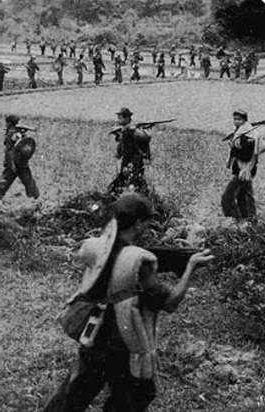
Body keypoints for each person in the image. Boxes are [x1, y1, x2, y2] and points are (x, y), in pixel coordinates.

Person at [43, 193, 214, 412]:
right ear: (139, 223)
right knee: (138, 394)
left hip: (94, 332)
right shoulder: (137, 261)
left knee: (74, 393)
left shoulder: (99, 248)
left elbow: (117, 263)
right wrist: (190, 266)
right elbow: (170, 303)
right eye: (147, 222)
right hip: (123, 342)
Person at [221, 110, 259, 219]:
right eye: (235, 119)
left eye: (239, 119)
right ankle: (250, 221)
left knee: (227, 197)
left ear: (245, 120)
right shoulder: (242, 133)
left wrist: (233, 148)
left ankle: (235, 221)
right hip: (245, 170)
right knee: (244, 197)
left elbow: (246, 155)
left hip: (244, 170)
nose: (236, 122)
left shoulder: (246, 135)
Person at [0, 115, 39, 200]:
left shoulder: (11, 134)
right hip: (22, 163)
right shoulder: (18, 132)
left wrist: (11, 164)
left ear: (9, 123)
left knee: (4, 184)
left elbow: (9, 151)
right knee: (29, 183)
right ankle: (35, 199)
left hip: (13, 163)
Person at [108, 108, 151, 196]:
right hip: (126, 159)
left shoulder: (135, 130)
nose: (118, 120)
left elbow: (147, 138)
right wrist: (118, 153)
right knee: (123, 180)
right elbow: (122, 143)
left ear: (127, 118)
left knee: (134, 181)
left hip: (135, 160)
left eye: (120, 118)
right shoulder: (123, 129)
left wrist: (135, 130)